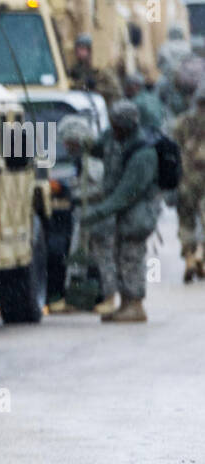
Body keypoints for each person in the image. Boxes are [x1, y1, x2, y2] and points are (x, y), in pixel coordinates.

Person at [81, 100, 162, 322]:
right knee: (119, 255)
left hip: (139, 214)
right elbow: (98, 148)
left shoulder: (143, 153)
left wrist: (98, 213)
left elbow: (125, 194)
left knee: (131, 257)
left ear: (127, 125)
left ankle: (135, 305)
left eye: (116, 125)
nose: (112, 129)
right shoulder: (115, 138)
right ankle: (126, 304)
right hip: (124, 214)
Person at [50, 116, 112, 312]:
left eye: (68, 142)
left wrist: (74, 193)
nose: (66, 147)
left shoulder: (92, 159)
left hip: (97, 215)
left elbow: (100, 187)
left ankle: (110, 298)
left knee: (103, 259)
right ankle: (75, 299)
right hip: (84, 216)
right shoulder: (81, 159)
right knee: (77, 260)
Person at [173, 86, 205, 282]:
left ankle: (190, 259)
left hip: (185, 178)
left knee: (185, 221)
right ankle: (202, 255)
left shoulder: (182, 122)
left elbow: (173, 150)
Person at [69, 34, 121, 111]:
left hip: (104, 109)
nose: (78, 52)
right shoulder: (77, 69)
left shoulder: (102, 69)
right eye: (77, 49)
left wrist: (96, 87)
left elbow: (116, 91)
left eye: (82, 48)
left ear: (90, 50)